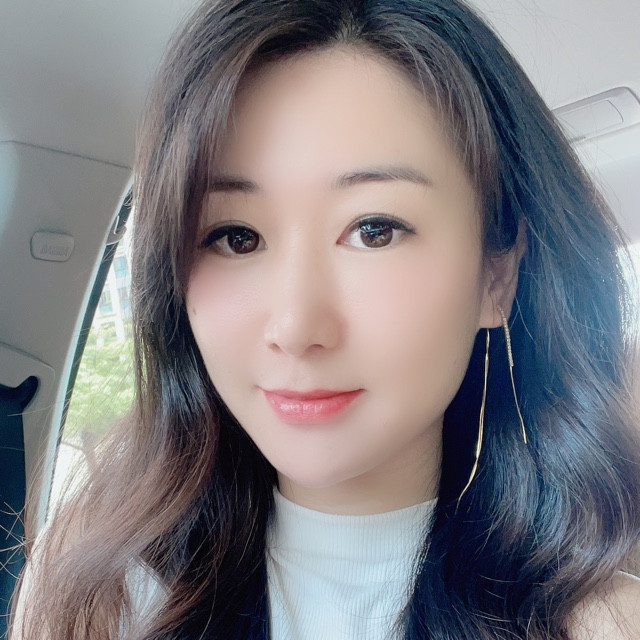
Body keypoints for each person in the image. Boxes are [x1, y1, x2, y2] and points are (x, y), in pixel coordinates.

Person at [11, 0, 640, 638]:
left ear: (495, 276)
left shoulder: (603, 625)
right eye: (236, 237)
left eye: (374, 230)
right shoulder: (100, 594)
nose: (294, 327)